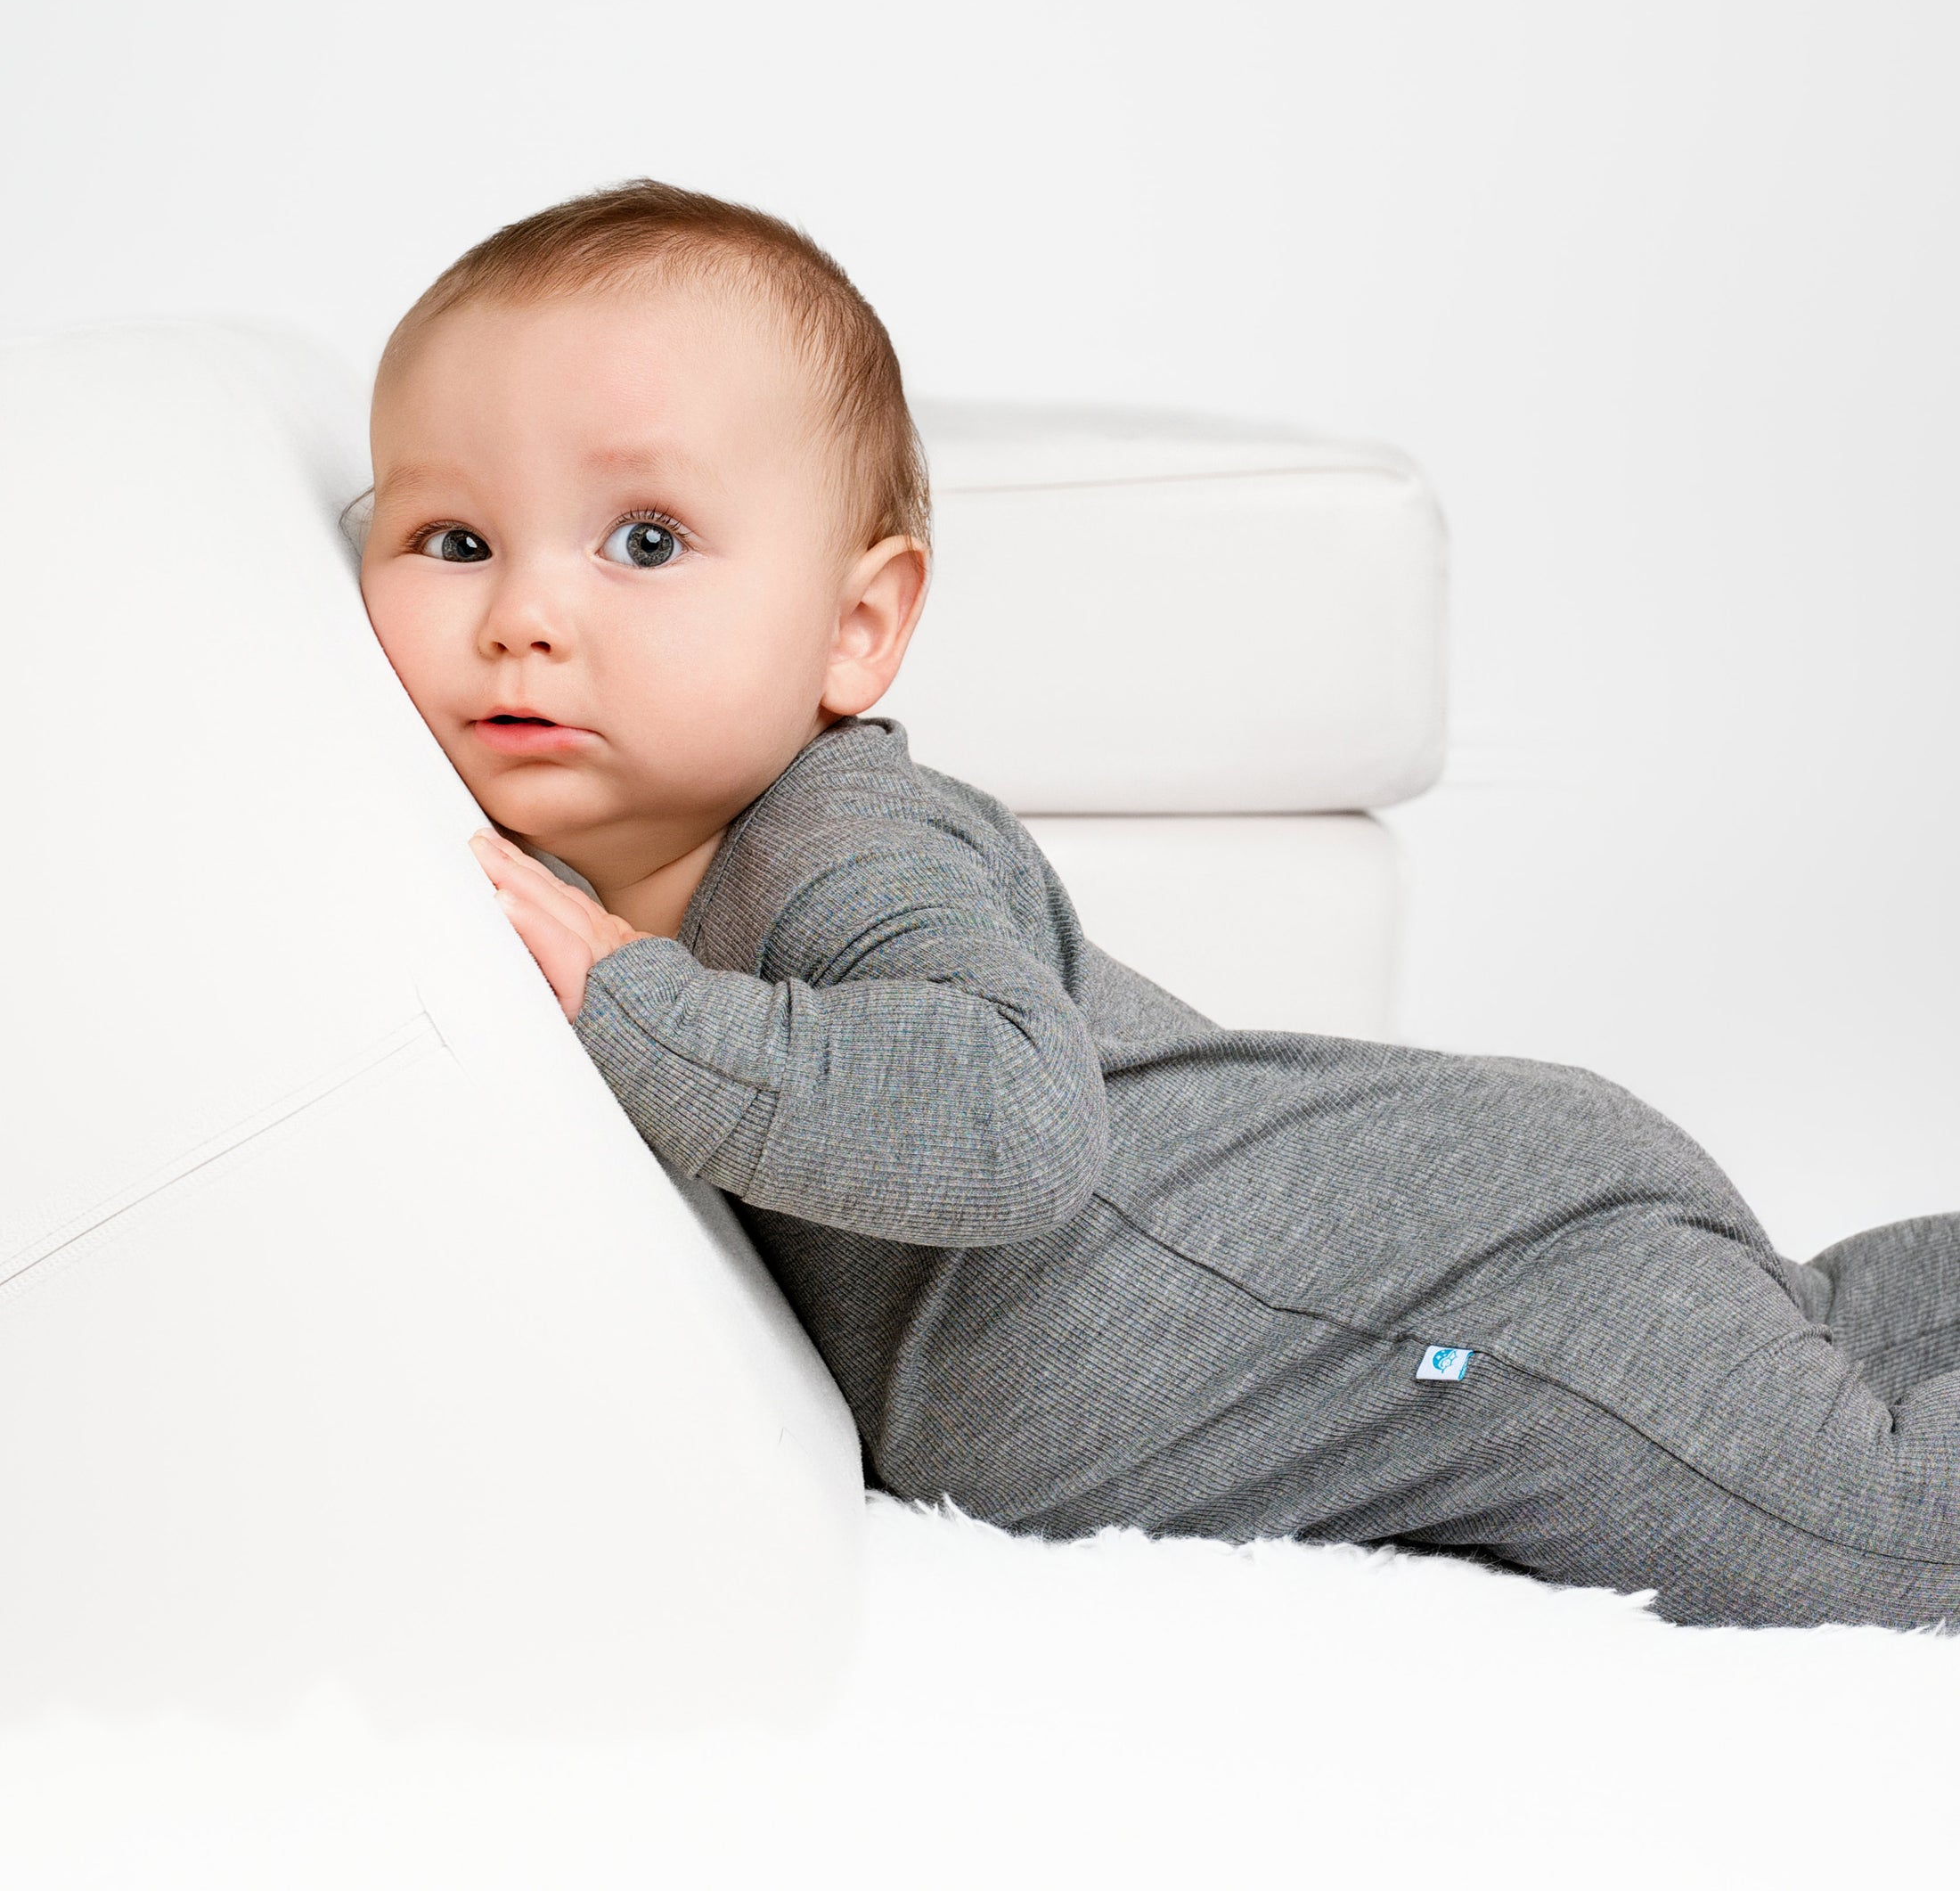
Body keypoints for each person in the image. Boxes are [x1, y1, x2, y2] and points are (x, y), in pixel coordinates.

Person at [357, 176, 1960, 1632]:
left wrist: (628, 1001)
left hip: (1474, 1299)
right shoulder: (579, 870)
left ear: (857, 630)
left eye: (643, 540)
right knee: (1830, 1333)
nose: (525, 615)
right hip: (1446, 1214)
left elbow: (1008, 1122)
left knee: (1868, 1537)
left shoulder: (843, 847)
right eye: (454, 538)